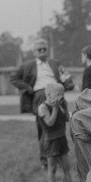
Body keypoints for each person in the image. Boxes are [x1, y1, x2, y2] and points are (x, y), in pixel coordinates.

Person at [11, 38, 72, 167]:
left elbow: (66, 75)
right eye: (39, 49)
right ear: (34, 52)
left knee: (60, 125)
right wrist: (28, 88)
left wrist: (67, 83)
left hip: (56, 93)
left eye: (45, 49)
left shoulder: (55, 63)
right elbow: (14, 78)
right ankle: (45, 159)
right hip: (40, 95)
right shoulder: (27, 65)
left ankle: (61, 156)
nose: (43, 51)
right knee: (44, 128)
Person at [37, 83, 74, 182]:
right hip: (50, 141)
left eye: (62, 93)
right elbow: (50, 122)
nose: (61, 96)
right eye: (58, 94)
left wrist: (65, 106)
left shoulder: (60, 104)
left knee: (66, 166)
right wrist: (56, 108)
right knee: (52, 168)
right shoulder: (43, 107)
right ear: (48, 95)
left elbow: (67, 119)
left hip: (61, 139)